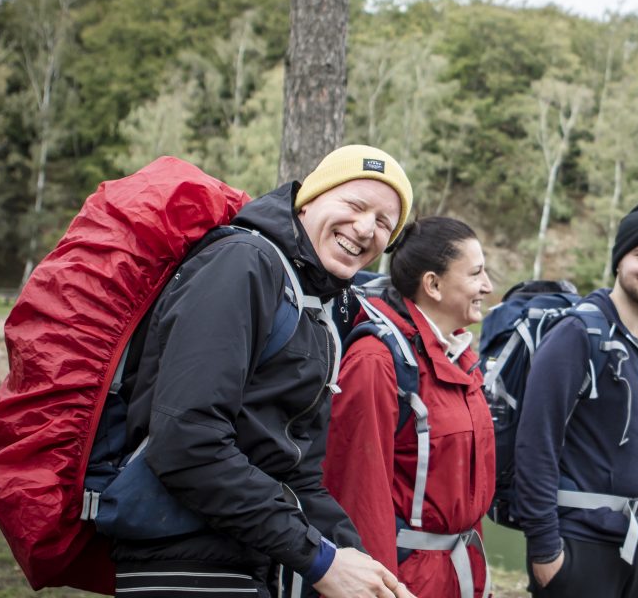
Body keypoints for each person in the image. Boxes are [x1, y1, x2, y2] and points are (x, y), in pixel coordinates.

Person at [115, 145, 419, 598]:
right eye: (356, 205)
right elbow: (186, 441)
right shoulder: (243, 264)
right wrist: (320, 559)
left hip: (244, 557)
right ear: (309, 198)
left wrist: (368, 575)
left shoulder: (318, 307)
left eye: (383, 223)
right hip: (184, 565)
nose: (365, 228)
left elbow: (295, 474)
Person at [514, 202, 638, 598]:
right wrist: (545, 551)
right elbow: (535, 443)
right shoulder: (576, 334)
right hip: (581, 547)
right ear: (619, 260)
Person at [324, 216, 496, 598]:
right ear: (433, 284)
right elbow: (358, 498)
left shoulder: (461, 359)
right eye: (476, 274)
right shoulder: (376, 361)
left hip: (459, 573)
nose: (487, 286)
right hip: (406, 583)